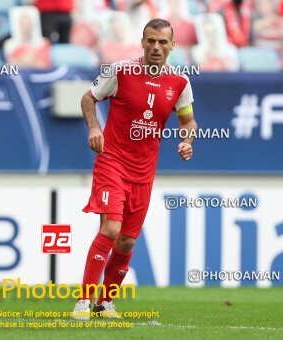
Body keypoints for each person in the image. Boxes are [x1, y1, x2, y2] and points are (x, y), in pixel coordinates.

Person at [72, 18, 197, 319]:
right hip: (112, 161)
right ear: (142, 42)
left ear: (172, 46)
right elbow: (88, 98)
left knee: (127, 240)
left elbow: (188, 121)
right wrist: (93, 128)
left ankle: (105, 303)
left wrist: (187, 140)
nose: (156, 47)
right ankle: (84, 301)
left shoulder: (180, 83)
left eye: (162, 42)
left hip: (144, 172)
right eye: (151, 41)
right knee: (111, 229)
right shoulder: (121, 71)